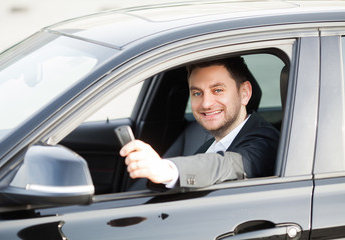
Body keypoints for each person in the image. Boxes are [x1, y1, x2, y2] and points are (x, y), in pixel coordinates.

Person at [120, 56, 279, 189]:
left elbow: (230, 165)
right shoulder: (211, 145)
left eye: (217, 90)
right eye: (197, 93)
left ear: (244, 93)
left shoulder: (265, 143)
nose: (206, 104)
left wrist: (167, 170)